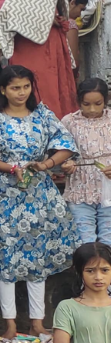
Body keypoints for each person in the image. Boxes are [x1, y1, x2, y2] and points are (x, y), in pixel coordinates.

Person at [0, 65, 79, 340]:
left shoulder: (43, 115)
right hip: (5, 193)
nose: (21, 92)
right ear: (3, 89)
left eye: (25, 87)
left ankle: (37, 322)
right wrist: (10, 167)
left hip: (38, 193)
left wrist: (47, 164)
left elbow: (66, 145)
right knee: (6, 256)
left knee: (36, 254)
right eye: (15, 87)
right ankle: (10, 324)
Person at [0, 0, 79, 119]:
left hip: (53, 46)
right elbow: (9, 14)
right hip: (32, 49)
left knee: (56, 86)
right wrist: (47, 19)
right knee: (38, 86)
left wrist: (55, 20)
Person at [62, 79, 111, 246]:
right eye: (86, 104)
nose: (92, 109)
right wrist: (66, 163)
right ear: (78, 101)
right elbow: (58, 151)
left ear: (106, 100)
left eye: (98, 104)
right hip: (80, 188)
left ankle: (106, 271)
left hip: (109, 189)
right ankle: (86, 270)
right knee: (84, 239)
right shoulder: (69, 122)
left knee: (109, 238)